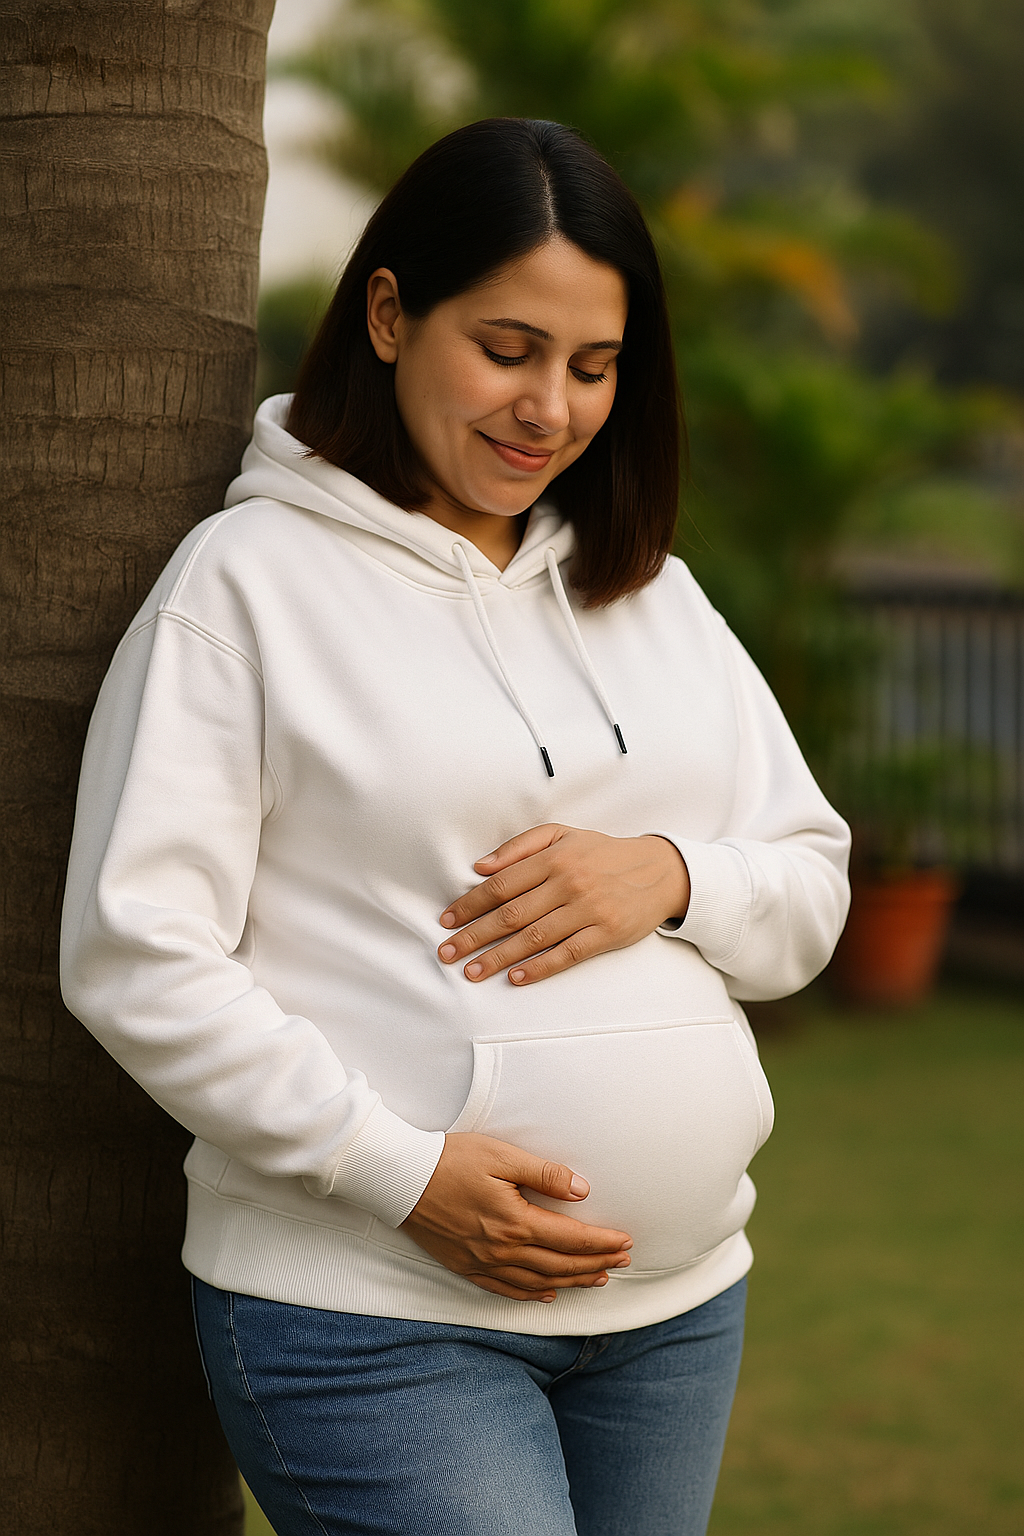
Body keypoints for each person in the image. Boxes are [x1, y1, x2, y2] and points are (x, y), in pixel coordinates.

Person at [61, 118, 850, 1536]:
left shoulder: (652, 593)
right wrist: (403, 1175)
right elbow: (137, 955)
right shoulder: (246, 587)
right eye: (507, 349)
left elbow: (810, 888)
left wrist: (674, 876)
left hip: (675, 1314)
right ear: (388, 315)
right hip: (377, 1316)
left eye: (593, 367)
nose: (549, 407)